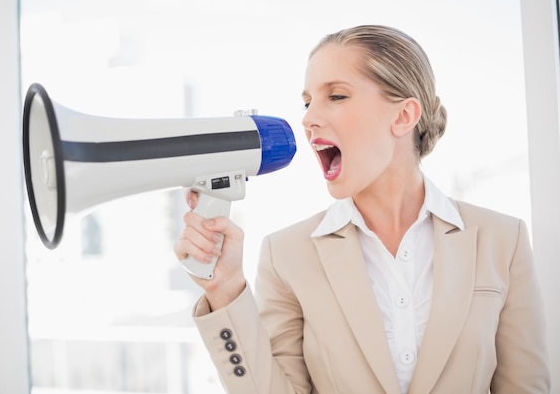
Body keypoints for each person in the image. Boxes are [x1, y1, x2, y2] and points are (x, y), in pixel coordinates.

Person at [173, 25, 550, 394]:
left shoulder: (503, 239)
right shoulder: (286, 254)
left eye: (336, 96)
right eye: (307, 102)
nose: (307, 118)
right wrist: (225, 291)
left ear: (403, 116)